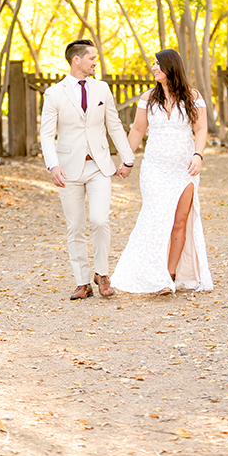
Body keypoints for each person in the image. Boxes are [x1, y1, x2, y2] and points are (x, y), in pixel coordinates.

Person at [111, 49, 213, 294]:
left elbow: (201, 130)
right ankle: (151, 273)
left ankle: (170, 275)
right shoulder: (148, 98)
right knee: (156, 218)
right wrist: (127, 160)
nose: (153, 68)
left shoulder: (193, 96)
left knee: (179, 221)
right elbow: (137, 131)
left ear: (171, 67)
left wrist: (198, 155)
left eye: (158, 64)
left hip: (185, 169)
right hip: (155, 168)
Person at [40, 39, 135, 300]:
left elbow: (114, 125)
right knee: (76, 227)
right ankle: (83, 282)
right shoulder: (54, 93)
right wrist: (53, 165)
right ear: (76, 60)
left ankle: (102, 273)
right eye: (92, 58)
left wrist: (127, 159)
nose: (96, 62)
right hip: (68, 169)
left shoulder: (102, 89)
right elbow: (47, 135)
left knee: (100, 221)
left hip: (99, 166)